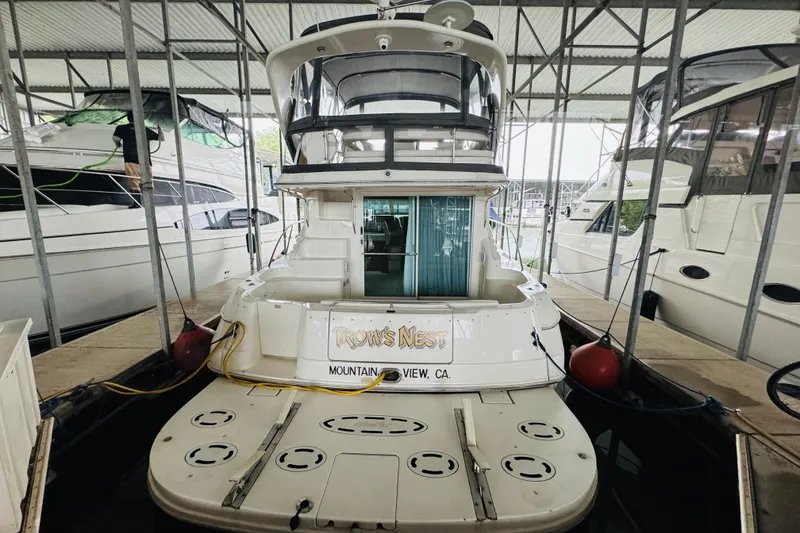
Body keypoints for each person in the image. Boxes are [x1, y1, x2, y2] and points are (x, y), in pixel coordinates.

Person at [112, 110, 163, 208]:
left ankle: (137, 204)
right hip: (146, 162)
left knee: (134, 182)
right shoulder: (144, 129)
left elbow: (116, 138)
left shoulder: (122, 128)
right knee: (147, 183)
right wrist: (160, 130)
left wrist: (118, 144)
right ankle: (149, 204)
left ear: (128, 118)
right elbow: (161, 138)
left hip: (131, 159)